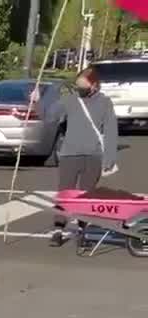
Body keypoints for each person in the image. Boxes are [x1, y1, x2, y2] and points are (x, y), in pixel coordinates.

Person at [30, 68, 118, 249]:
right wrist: (37, 103)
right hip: (70, 154)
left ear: (94, 85)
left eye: (83, 86)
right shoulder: (70, 100)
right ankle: (58, 230)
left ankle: (82, 231)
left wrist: (109, 158)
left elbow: (110, 131)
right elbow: (50, 118)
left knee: (86, 196)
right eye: (77, 86)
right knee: (65, 194)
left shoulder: (105, 103)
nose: (80, 89)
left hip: (94, 155)